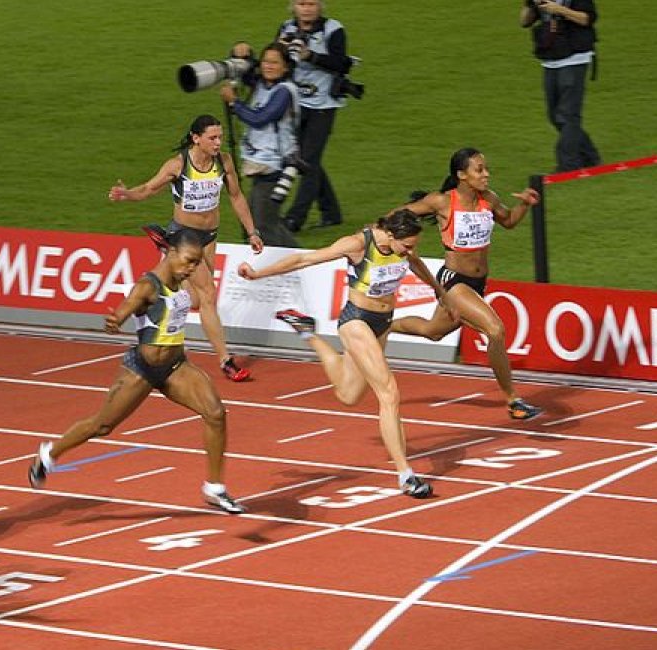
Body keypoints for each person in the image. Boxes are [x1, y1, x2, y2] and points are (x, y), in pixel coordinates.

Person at [29, 229, 246, 514]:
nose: (192, 268)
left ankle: (215, 488)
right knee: (102, 426)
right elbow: (125, 309)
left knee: (215, 413)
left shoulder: (182, 282)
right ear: (171, 253)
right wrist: (115, 320)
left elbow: (196, 301)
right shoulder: (148, 286)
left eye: (196, 263)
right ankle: (48, 454)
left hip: (175, 366)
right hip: (142, 369)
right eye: (189, 261)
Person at [238, 211, 450, 498]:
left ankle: (307, 331)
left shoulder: (403, 247)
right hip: (356, 320)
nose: (411, 251)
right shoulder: (357, 244)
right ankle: (406, 475)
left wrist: (438, 290)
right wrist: (258, 273)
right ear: (389, 235)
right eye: (407, 246)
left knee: (348, 395)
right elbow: (305, 259)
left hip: (382, 324)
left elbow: (415, 263)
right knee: (389, 393)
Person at [386, 148, 544, 420]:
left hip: (478, 282)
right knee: (495, 330)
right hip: (453, 281)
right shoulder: (442, 202)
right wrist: (376, 235)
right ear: (461, 175)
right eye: (479, 169)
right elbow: (396, 215)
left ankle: (381, 324)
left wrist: (525, 204)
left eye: (485, 168)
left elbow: (508, 222)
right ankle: (513, 400)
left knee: (432, 331)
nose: (486, 174)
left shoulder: (489, 199)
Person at [109, 114, 264, 382]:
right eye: (212, 138)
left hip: (209, 236)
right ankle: (226, 361)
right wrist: (128, 194)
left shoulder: (224, 162)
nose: (218, 143)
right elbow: (148, 188)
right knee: (207, 295)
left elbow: (236, 197)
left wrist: (252, 231)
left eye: (220, 137)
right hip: (184, 234)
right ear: (196, 138)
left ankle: (161, 255)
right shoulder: (178, 165)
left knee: (193, 300)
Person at [275, 0, 354, 231]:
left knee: (307, 161)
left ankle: (294, 219)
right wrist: (280, 49)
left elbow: (341, 64)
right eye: (302, 3)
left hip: (323, 105)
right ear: (293, 6)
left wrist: (311, 56)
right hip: (295, 104)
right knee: (311, 159)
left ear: (321, 6)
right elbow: (276, 62)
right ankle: (331, 212)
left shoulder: (333, 30)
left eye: (312, 3)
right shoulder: (286, 28)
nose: (307, 8)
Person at [219, 41, 301, 248]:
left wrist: (234, 103)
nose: (268, 66)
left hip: (275, 167)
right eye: (265, 61)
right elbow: (244, 72)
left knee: (262, 225)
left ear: (286, 67)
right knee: (267, 221)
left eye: (275, 62)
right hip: (262, 165)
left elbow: (260, 118)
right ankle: (306, 262)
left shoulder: (285, 91)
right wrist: (242, 53)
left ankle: (285, 268)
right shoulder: (263, 84)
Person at [520, 0, 601, 172]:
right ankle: (589, 155)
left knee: (568, 114)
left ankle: (568, 164)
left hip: (575, 56)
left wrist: (560, 10)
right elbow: (524, 21)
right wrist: (531, 5)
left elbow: (587, 18)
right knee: (555, 115)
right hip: (551, 58)